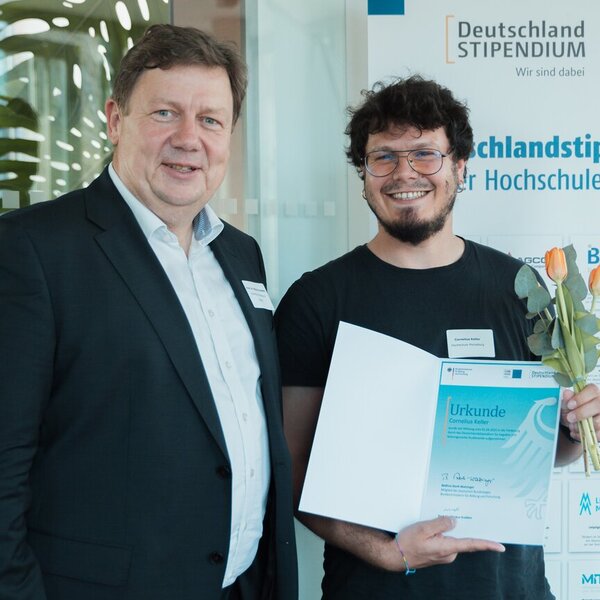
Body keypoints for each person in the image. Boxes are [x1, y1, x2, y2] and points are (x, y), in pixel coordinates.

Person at [0, 24, 297, 600]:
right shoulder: (33, 250)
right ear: (116, 119)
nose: (189, 139)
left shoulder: (242, 255)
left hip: (241, 584)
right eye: (165, 113)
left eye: (210, 120)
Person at [274, 75, 600, 599]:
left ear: (460, 167)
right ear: (363, 174)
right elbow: (292, 471)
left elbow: (547, 454)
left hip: (509, 589)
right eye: (383, 157)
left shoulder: (520, 289)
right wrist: (389, 553)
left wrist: (574, 428)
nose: (404, 173)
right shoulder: (317, 300)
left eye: (425, 154)